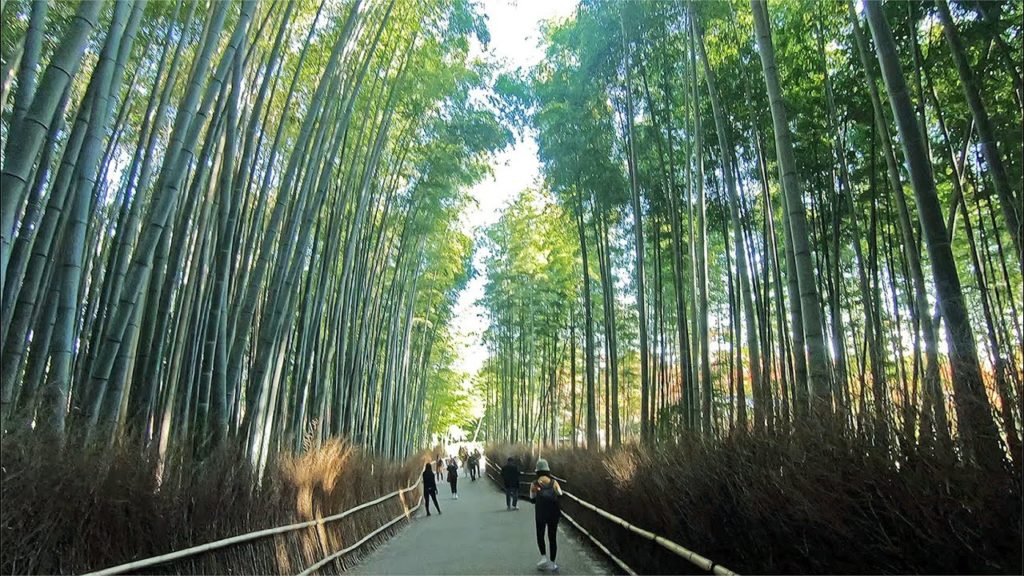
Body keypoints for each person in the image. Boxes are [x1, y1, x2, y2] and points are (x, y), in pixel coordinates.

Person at [529, 458, 563, 572]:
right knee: (552, 537)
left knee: (540, 535)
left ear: (537, 471)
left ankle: (543, 557)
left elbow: (532, 498)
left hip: (540, 513)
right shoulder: (554, 482)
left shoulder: (534, 484)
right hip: (553, 513)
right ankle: (553, 563)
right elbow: (560, 494)